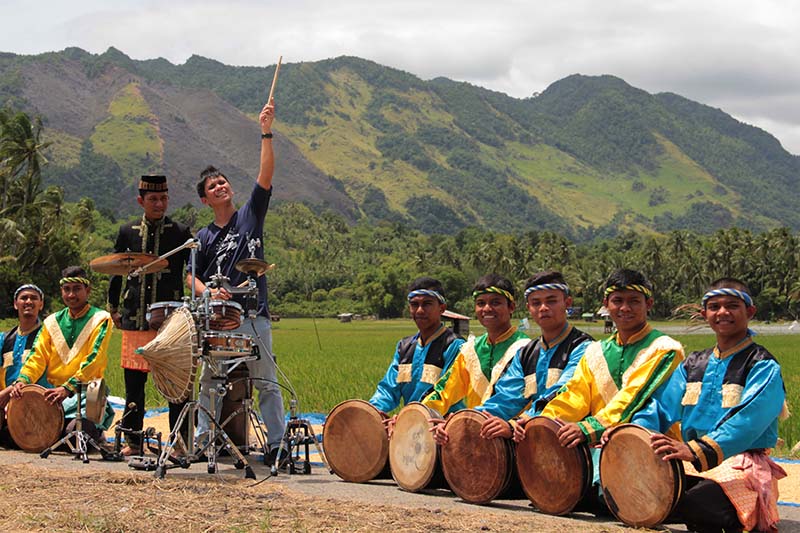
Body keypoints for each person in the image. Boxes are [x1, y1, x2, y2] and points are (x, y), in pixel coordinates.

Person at [632, 278, 787, 533]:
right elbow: (659, 408)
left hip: (741, 464)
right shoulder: (693, 364)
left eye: (732, 306)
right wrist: (634, 436)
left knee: (696, 502)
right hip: (691, 458)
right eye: (714, 306)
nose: (722, 312)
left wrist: (695, 449)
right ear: (705, 314)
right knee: (624, 488)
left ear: (750, 311)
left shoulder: (762, 365)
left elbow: (748, 421)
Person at [536, 268, 685, 513]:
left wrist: (589, 428)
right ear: (606, 304)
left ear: (648, 304)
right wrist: (545, 422)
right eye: (617, 301)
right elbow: (575, 395)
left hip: (647, 443)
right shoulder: (595, 351)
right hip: (598, 440)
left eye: (634, 301)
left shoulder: (665, 349)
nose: (625, 308)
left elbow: (634, 397)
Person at [188, 96, 285, 464]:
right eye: (213, 186)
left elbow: (266, 175)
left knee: (266, 382)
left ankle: (276, 446)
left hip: (254, 315)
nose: (221, 187)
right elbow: (190, 276)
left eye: (223, 182)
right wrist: (208, 291)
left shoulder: (250, 215)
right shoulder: (203, 236)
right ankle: (204, 442)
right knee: (210, 382)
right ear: (205, 199)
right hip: (220, 319)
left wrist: (266, 132)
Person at [107, 174, 193, 456]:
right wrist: (113, 307)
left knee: (176, 384)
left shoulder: (180, 233)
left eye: (164, 198)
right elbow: (115, 271)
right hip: (134, 317)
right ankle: (133, 441)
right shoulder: (127, 231)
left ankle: (180, 444)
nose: (159, 204)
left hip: (171, 322)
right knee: (134, 385)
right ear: (140, 201)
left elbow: (192, 271)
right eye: (153, 199)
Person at [472, 272, 594, 443]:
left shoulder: (584, 347)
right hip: (530, 439)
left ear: (567, 303)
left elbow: (564, 393)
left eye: (551, 301)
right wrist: (470, 419)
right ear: (529, 308)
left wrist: (518, 423)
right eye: (536, 303)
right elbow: (506, 397)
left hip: (572, 445)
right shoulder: (526, 353)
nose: (543, 308)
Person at [0, 267, 115, 439]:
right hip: (52, 396)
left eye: (77, 289)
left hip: (85, 393)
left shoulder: (101, 318)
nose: (71, 295)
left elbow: (94, 359)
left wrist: (67, 389)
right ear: (61, 291)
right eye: (67, 289)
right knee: (13, 435)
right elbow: (37, 358)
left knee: (73, 435)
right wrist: (22, 381)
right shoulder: (52, 321)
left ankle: (93, 432)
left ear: (88, 290)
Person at [422, 274, 529, 417]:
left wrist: (470, 419)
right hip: (474, 427)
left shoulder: (525, 349)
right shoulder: (471, 350)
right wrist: (418, 413)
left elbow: (512, 400)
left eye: (495, 302)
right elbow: (445, 390)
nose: (487, 308)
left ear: (511, 307)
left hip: (513, 428)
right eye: (481, 303)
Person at [369, 277, 465, 416]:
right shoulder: (404, 347)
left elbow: (446, 392)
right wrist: (371, 412)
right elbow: (388, 390)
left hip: (444, 424)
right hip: (412, 423)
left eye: (427, 304)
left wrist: (414, 416)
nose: (420, 310)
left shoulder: (455, 345)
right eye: (414, 304)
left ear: (442, 308)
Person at [1, 284, 47, 388]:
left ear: (41, 304)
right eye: (24, 298)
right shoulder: (4, 339)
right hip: (8, 398)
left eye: (34, 298)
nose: (29, 301)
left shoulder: (48, 336)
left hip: (42, 396)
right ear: (15, 304)